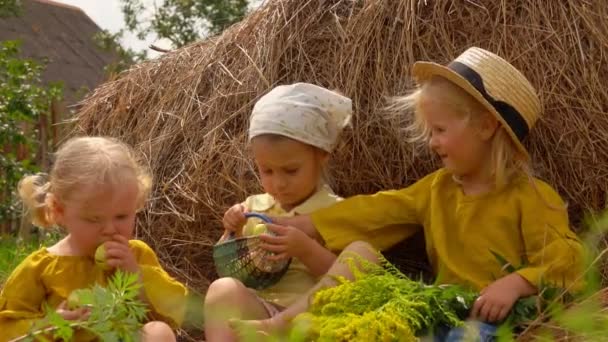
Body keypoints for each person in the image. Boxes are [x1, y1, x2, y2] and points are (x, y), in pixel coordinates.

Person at [234, 47, 584, 341]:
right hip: (436, 307)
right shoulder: (436, 189)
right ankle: (286, 325)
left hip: (491, 321)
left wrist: (516, 283)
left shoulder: (533, 197)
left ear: (486, 126)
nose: (431, 141)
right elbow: (381, 210)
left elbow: (566, 260)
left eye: (439, 130)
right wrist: (311, 223)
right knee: (359, 254)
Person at [203, 83, 353, 341]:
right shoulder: (254, 207)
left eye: (291, 170)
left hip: (312, 318)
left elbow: (345, 278)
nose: (279, 183)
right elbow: (229, 271)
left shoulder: (334, 210)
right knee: (222, 290)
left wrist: (305, 249)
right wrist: (233, 232)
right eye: (267, 171)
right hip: (262, 316)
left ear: (322, 156)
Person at [0, 137, 188, 342]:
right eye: (93, 219)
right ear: (59, 210)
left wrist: (136, 278)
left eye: (121, 216)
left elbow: (174, 312)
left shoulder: (136, 256)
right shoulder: (40, 269)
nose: (109, 229)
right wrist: (48, 325)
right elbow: (6, 328)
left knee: (158, 331)